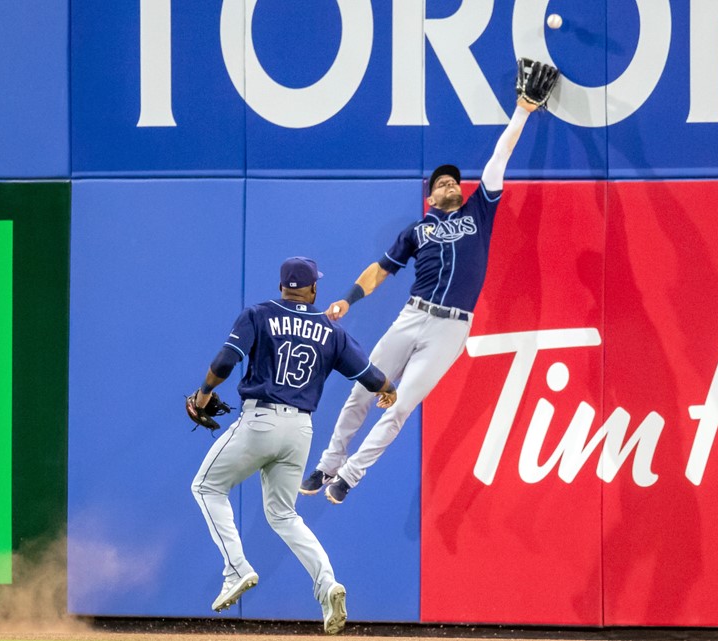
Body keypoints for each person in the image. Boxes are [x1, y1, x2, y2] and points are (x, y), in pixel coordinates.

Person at [300, 83, 549, 505]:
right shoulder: (417, 231)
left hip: (451, 328)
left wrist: (522, 111)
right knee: (363, 390)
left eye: (454, 180)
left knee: (400, 406)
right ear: (430, 195)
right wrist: (347, 298)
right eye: (442, 182)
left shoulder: (479, 211)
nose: (451, 183)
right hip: (412, 315)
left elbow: (499, 157)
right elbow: (381, 270)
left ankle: (350, 475)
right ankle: (328, 463)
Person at [189, 256, 397, 634]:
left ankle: (236, 566)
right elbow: (370, 375)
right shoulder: (331, 330)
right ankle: (327, 584)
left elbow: (225, 361)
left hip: (260, 419)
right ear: (314, 289)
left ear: (282, 285)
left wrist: (204, 394)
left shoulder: (259, 313)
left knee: (206, 487)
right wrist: (389, 390)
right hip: (300, 431)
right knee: (284, 515)